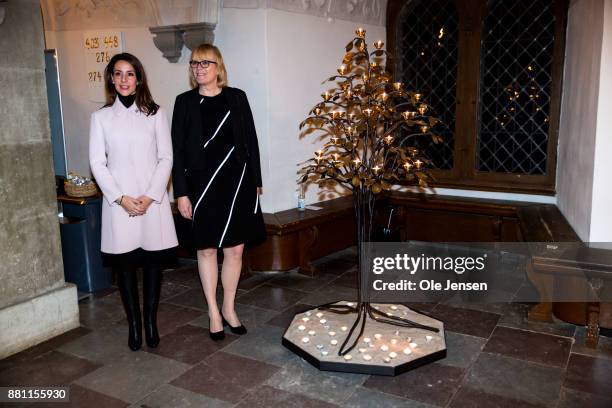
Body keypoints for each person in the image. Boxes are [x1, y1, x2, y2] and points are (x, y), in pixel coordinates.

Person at [171, 44, 266, 341]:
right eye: (195, 64)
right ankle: (213, 311)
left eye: (205, 63)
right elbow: (178, 150)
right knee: (207, 248)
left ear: (218, 67)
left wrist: (257, 181)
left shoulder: (237, 98)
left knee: (235, 249)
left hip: (237, 183)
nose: (199, 68)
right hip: (201, 185)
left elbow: (251, 140)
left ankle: (229, 308)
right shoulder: (184, 102)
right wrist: (181, 193)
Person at [89, 53, 177, 351]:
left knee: (153, 265)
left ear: (138, 78)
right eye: (118, 74)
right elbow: (97, 163)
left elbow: (166, 157)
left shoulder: (156, 113)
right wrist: (121, 198)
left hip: (152, 201)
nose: (124, 79)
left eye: (130, 74)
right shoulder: (100, 118)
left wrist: (151, 195)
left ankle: (151, 322)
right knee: (125, 267)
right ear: (111, 79)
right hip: (120, 204)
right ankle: (135, 326)